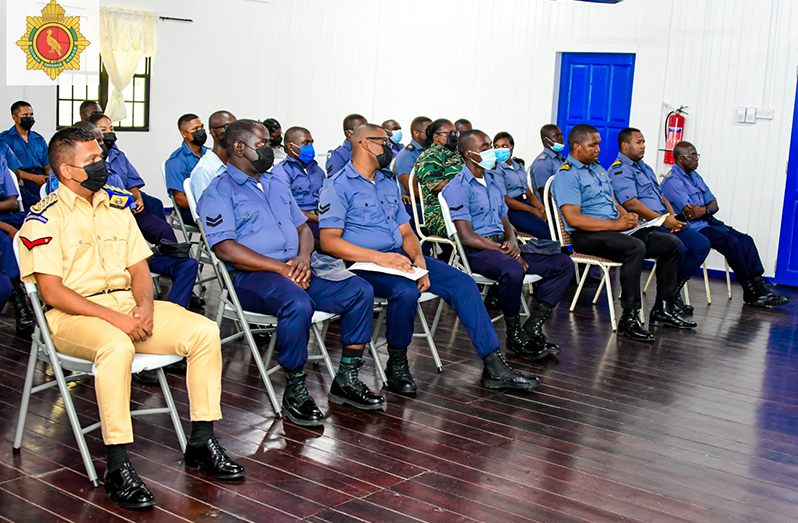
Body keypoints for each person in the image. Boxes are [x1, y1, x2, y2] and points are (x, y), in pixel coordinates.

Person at [18, 127, 244, 510]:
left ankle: (202, 441)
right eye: (90, 161)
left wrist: (145, 307)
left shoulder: (116, 207)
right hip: (73, 315)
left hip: (127, 305)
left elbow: (140, 269)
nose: (101, 165)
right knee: (116, 346)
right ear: (66, 171)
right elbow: (53, 293)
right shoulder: (42, 220)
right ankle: (118, 465)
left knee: (205, 331)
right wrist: (117, 320)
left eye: (99, 158)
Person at [319, 123, 539, 393]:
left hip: (399, 258)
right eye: (383, 142)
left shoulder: (387, 184)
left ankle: (494, 365)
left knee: (462, 283)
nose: (389, 148)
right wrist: (380, 259)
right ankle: (397, 364)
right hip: (362, 264)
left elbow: (408, 232)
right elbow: (330, 242)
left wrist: (419, 261)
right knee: (405, 291)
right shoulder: (338, 185)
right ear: (365, 144)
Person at [198, 120, 383, 427]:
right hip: (252, 277)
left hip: (296, 267)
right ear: (239, 148)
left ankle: (347, 379)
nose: (270, 150)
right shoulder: (218, 192)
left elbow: (302, 228)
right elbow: (226, 249)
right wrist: (281, 268)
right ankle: (296, 390)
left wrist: (303, 259)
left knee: (359, 291)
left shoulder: (275, 183)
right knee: (297, 303)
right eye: (263, 145)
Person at [552, 124, 695, 342]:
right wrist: (617, 225)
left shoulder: (597, 169)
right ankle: (629, 317)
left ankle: (663, 309)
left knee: (670, 244)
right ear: (576, 147)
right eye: (593, 145)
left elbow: (611, 200)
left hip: (614, 230)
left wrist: (626, 218)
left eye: (598, 144)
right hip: (587, 235)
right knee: (634, 248)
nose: (598, 149)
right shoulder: (567, 176)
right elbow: (573, 219)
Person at [443, 130, 573, 358]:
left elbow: (506, 223)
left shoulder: (493, 183)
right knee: (512, 268)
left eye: (489, 146)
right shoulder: (458, 187)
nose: (491, 152)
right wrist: (507, 251)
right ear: (468, 153)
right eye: (484, 148)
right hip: (478, 251)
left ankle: (531, 326)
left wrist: (511, 242)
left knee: (563, 263)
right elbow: (466, 236)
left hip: (504, 248)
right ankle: (513, 334)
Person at [661, 141, 789, 308]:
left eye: (696, 155)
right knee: (731, 243)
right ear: (679, 158)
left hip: (707, 221)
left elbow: (714, 204)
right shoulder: (672, 181)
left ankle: (760, 288)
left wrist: (705, 210)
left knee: (746, 240)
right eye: (692, 156)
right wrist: (706, 209)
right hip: (692, 228)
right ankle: (749, 291)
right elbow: (690, 212)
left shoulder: (695, 176)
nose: (696, 159)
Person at [610, 128, 710, 315]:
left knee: (701, 244)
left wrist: (673, 218)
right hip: (644, 225)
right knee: (677, 247)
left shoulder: (645, 168)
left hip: (663, 220)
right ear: (625, 145)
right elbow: (632, 204)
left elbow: (662, 198)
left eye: (643, 141)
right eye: (639, 142)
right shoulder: (620, 171)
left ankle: (673, 290)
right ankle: (665, 304)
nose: (644, 146)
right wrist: (664, 220)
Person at [489, 131, 550, 239]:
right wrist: (533, 211)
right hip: (511, 210)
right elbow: (506, 200)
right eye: (496, 147)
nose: (500, 150)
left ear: (511, 148)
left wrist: (541, 208)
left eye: (504, 146)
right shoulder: (496, 169)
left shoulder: (519, 166)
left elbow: (528, 192)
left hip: (525, 204)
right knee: (543, 230)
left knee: (553, 223)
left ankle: (562, 252)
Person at [0, 149, 34, 334]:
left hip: (6, 216)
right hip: (3, 225)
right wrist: (6, 227)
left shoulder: (0, 160)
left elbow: (12, 202)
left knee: (37, 232)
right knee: (6, 242)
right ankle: (21, 305)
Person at [271, 126, 326, 239]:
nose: (310, 147)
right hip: (299, 222)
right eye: (305, 143)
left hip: (321, 217)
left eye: (311, 142)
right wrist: (317, 219)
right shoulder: (281, 172)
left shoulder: (317, 169)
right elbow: (285, 207)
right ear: (291, 146)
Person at [414, 119, 463, 241]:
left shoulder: (457, 153)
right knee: (473, 227)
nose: (454, 136)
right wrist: (466, 185)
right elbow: (437, 186)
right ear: (436, 137)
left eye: (455, 133)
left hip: (462, 208)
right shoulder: (430, 156)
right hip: (440, 213)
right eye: (450, 133)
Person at [0, 101, 49, 208]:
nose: (29, 118)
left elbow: (47, 164)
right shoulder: (5, 140)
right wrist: (34, 178)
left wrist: (50, 176)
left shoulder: (38, 139)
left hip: (41, 177)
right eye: (25, 115)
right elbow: (9, 170)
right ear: (15, 117)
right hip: (23, 179)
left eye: (31, 115)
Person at [165, 114, 208, 225]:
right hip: (192, 211)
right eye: (195, 129)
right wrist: (207, 206)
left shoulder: (210, 153)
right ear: (184, 134)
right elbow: (180, 199)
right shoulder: (176, 161)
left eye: (201, 127)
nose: (201, 131)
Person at [191, 110, 236, 198]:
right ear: (213, 132)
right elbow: (205, 209)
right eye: (227, 126)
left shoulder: (236, 163)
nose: (234, 131)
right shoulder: (203, 170)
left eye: (236, 126)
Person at [393, 116, 431, 198]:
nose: (432, 135)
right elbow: (410, 189)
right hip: (418, 205)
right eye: (428, 132)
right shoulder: (407, 155)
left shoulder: (434, 151)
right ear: (416, 133)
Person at [529, 124, 566, 200]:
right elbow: (546, 195)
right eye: (557, 136)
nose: (561, 138)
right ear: (545, 140)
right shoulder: (542, 164)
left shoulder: (561, 159)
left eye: (561, 135)